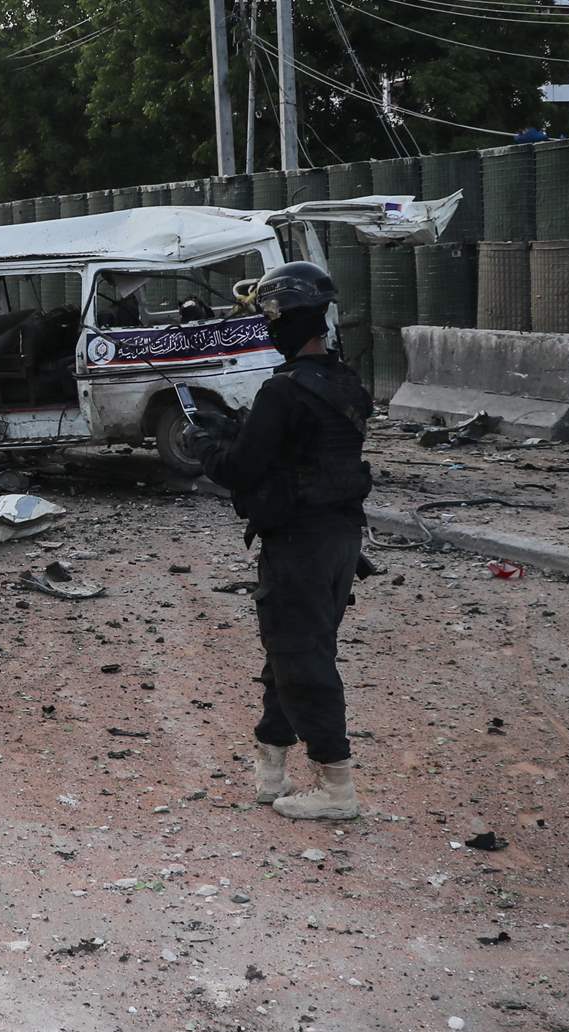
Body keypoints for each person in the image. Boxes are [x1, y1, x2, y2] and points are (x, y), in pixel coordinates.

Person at [187, 260, 373, 822]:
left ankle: (335, 784)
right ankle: (273, 770)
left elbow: (241, 471)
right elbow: (304, 453)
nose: (268, 329)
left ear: (286, 319)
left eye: (271, 318)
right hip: (340, 541)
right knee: (290, 651)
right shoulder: (345, 382)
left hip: (300, 544)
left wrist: (206, 447)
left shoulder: (283, 390)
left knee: (300, 657)